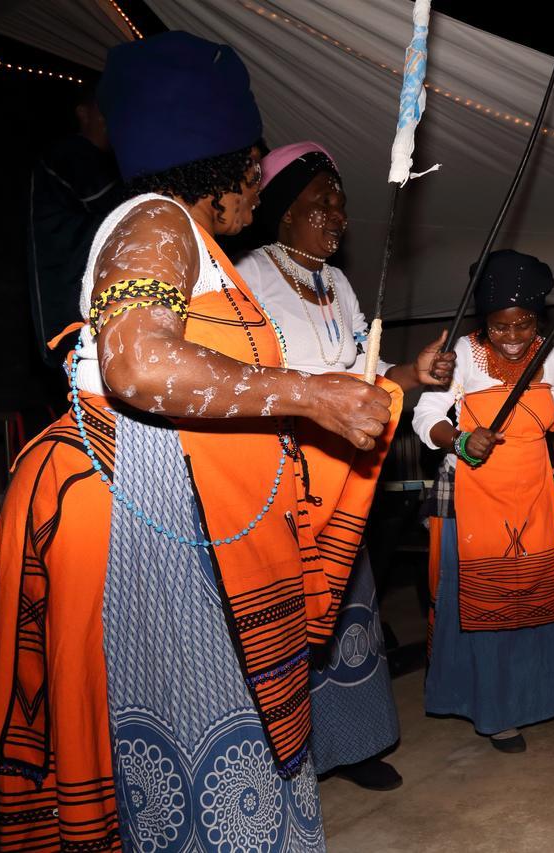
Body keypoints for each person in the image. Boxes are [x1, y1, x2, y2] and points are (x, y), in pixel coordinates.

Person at [0, 32, 395, 851]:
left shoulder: (188, 242)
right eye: (255, 160)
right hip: (141, 523)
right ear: (228, 161)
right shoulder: (154, 220)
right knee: (195, 743)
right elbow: (137, 360)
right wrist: (310, 393)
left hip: (173, 510)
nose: (258, 180)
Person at [237, 140, 455, 792]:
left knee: (345, 612)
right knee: (285, 619)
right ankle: (287, 759)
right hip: (280, 475)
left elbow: (365, 377)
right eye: (319, 203)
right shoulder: (249, 278)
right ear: (280, 212)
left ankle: (350, 742)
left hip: (346, 480)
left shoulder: (337, 285)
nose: (337, 215)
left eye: (341, 204)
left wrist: (411, 373)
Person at [412, 249, 554, 752]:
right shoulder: (458, 354)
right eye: (501, 327)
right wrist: (459, 440)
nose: (512, 337)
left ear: (537, 320)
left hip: (535, 494)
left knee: (552, 597)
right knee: (492, 603)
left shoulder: (553, 356)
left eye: (523, 325)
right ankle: (499, 710)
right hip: (477, 498)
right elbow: (425, 415)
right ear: (485, 322)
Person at [28, 79, 123, 365]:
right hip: (67, 300)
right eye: (104, 109)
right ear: (83, 113)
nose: (113, 118)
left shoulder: (93, 160)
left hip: (79, 297)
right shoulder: (70, 153)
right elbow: (120, 207)